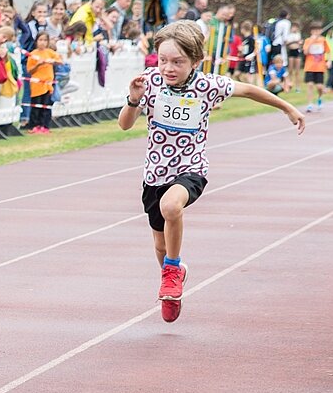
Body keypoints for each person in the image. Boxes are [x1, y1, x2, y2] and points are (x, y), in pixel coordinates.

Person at [118, 20, 304, 324]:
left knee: (170, 206)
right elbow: (125, 124)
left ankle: (172, 268)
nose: (168, 67)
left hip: (191, 169)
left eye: (177, 62)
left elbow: (249, 90)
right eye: (163, 60)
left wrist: (287, 107)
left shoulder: (208, 86)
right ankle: (174, 272)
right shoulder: (149, 81)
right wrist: (134, 98)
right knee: (159, 245)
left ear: (195, 62)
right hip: (155, 173)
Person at [24, 32, 62, 134]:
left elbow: (60, 61)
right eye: (40, 40)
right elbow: (30, 70)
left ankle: (45, 125)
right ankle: (34, 126)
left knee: (46, 106)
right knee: (36, 106)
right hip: (37, 84)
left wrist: (52, 61)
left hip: (48, 84)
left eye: (45, 40)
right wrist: (37, 65)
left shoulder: (50, 53)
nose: (42, 43)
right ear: (36, 41)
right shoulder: (33, 54)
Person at [302, 21, 330, 112]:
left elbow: (328, 51)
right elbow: (305, 52)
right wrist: (312, 41)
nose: (316, 33)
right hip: (310, 66)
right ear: (311, 32)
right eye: (314, 31)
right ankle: (309, 104)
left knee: (319, 87)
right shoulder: (307, 40)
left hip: (320, 67)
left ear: (321, 31)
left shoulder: (323, 40)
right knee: (310, 85)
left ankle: (320, 98)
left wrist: (328, 61)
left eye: (318, 30)